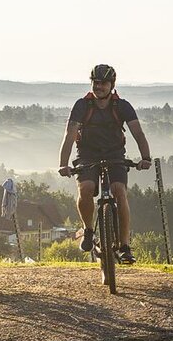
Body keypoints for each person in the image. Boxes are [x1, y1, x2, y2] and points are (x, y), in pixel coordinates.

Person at [58, 64, 153, 265]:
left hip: (115, 153)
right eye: (96, 82)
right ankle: (89, 230)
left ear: (112, 85)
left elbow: (138, 133)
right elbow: (69, 136)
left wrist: (146, 157)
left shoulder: (122, 106)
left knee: (119, 192)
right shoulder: (82, 105)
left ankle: (125, 246)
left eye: (103, 83)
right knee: (86, 188)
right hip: (87, 154)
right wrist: (63, 164)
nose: (99, 86)